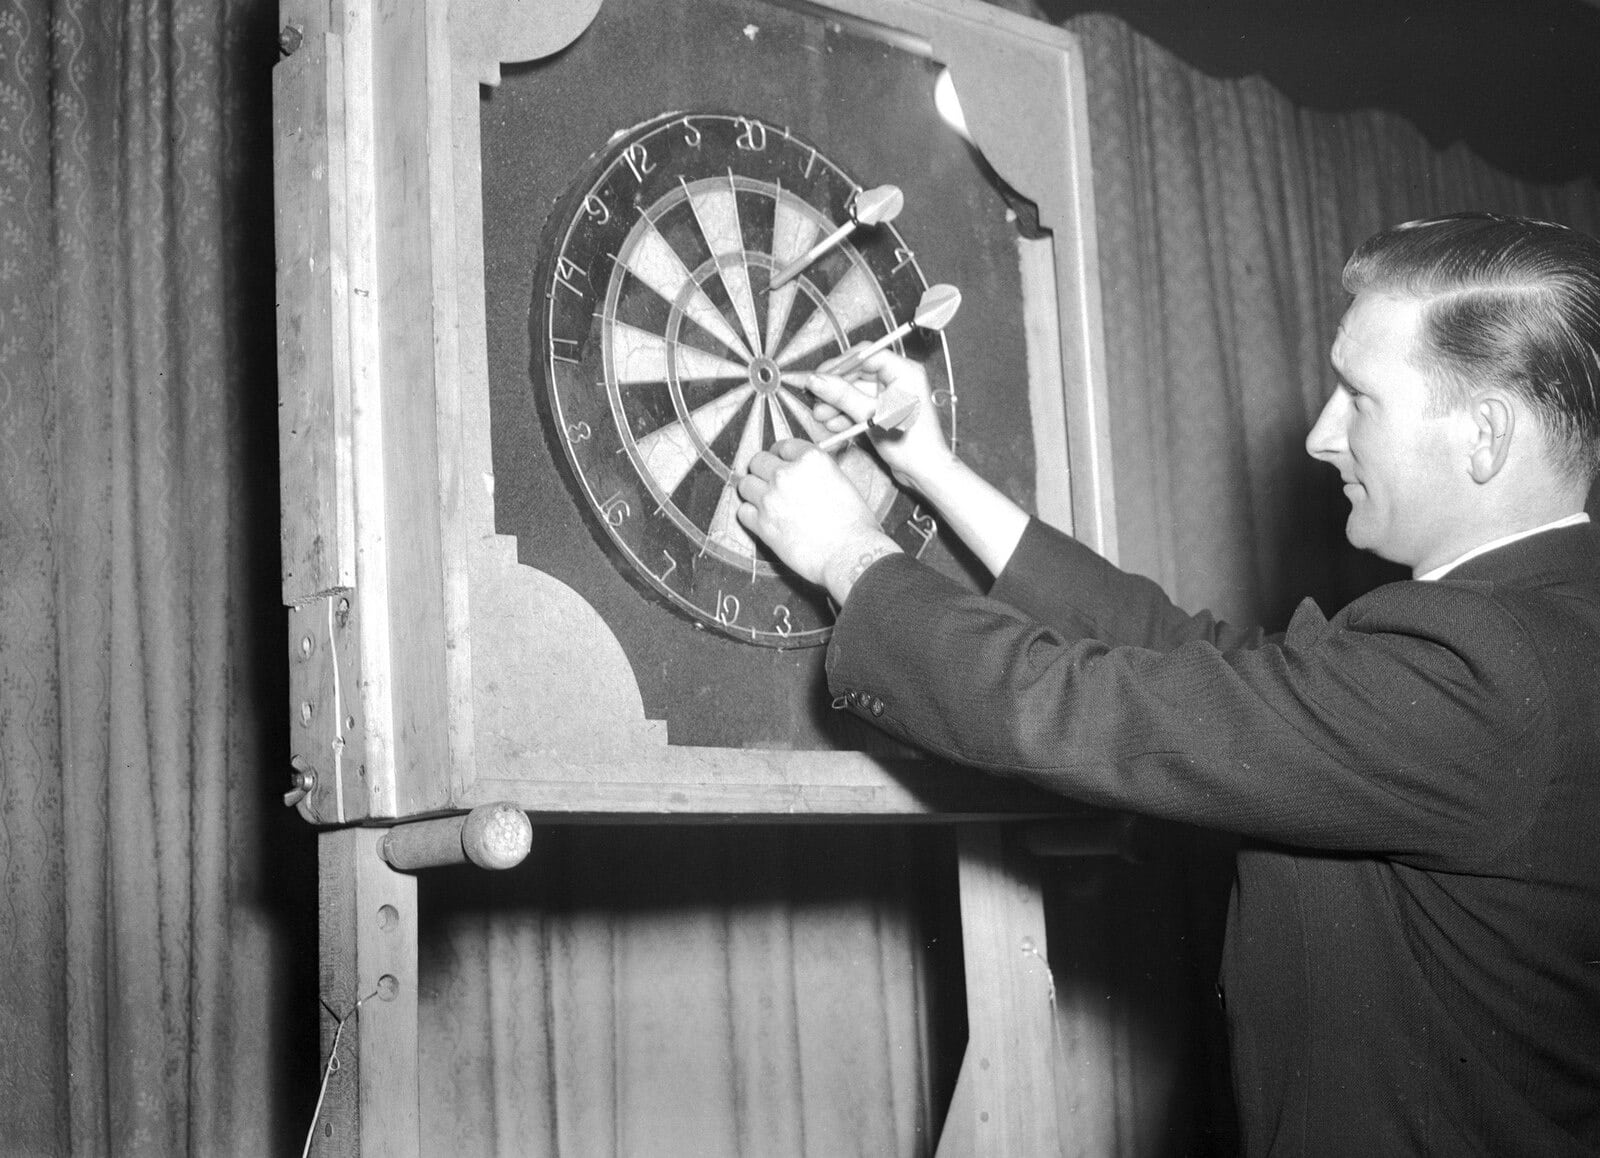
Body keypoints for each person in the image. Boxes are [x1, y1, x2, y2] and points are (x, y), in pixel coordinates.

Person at [735, 213, 1600, 1157]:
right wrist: (933, 471)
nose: (1319, 433)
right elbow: (1200, 663)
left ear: (1485, 434)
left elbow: (1104, 712)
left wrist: (848, 555)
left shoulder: (1486, 671)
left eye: (1359, 396)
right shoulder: (1540, 632)